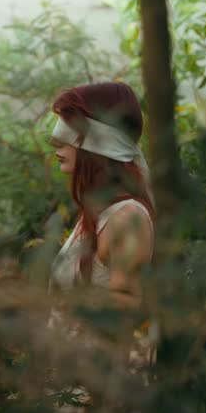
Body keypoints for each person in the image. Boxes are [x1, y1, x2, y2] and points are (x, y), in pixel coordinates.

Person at [48, 82, 155, 312]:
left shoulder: (127, 219)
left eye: (67, 134)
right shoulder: (100, 213)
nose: (56, 144)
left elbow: (130, 310)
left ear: (100, 146)